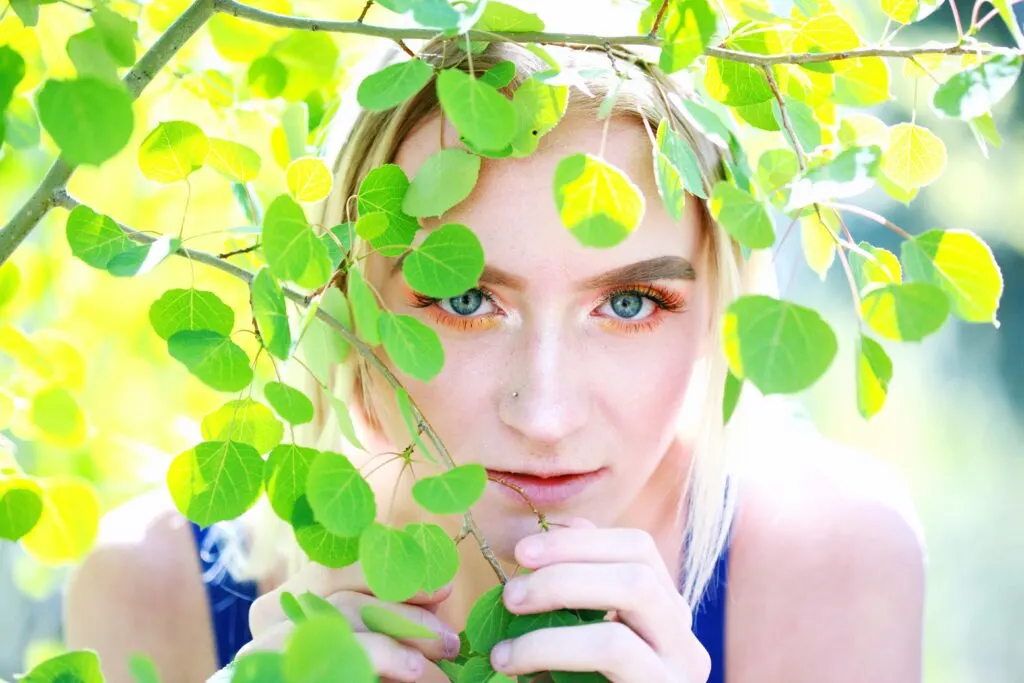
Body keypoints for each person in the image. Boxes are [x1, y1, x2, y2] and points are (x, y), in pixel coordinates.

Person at [63, 32, 926, 683]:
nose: (545, 415)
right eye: (465, 299)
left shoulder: (833, 568)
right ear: (347, 301)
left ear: (716, 306)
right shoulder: (155, 585)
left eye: (630, 304)